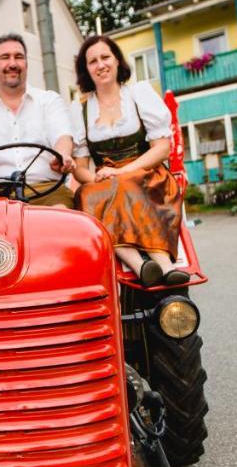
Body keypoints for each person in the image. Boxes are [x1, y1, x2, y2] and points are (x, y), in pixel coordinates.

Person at [70, 34, 188, 286]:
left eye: (105, 57)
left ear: (117, 60)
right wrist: (97, 177)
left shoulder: (138, 94)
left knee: (126, 184)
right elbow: (80, 169)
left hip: (146, 173)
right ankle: (141, 265)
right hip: (106, 181)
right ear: (85, 69)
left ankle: (165, 266)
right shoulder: (80, 109)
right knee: (86, 195)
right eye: (92, 61)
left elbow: (162, 148)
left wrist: (122, 173)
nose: (100, 65)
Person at [0, 33, 74, 205]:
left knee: (60, 220)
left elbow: (62, 137)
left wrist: (62, 156)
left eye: (19, 57)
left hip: (48, 190)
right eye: (5, 57)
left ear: (26, 65)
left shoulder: (49, 100)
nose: (12, 63)